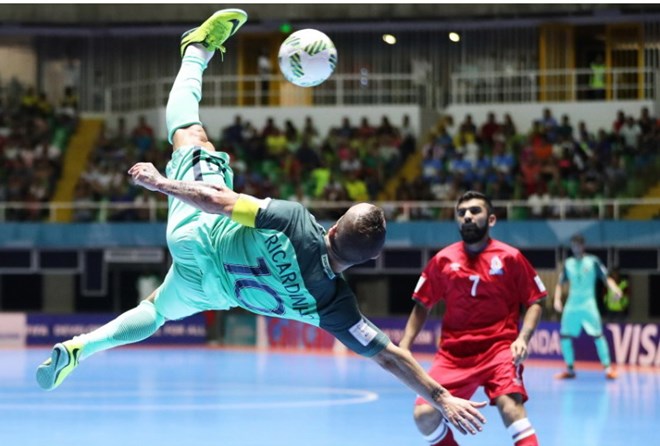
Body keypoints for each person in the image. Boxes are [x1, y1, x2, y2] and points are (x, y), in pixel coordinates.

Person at [35, 9, 487, 436]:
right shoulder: (334, 305)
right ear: (363, 262)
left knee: (191, 136)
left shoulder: (297, 224)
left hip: (198, 234)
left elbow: (217, 200)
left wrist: (161, 184)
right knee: (155, 311)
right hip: (215, 290)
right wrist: (440, 395)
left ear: (333, 229)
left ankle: (196, 49)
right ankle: (81, 347)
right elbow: (388, 355)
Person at [399, 191, 545, 446]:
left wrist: (523, 338)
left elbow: (535, 300)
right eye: (461, 212)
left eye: (475, 211)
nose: (467, 216)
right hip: (453, 355)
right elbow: (422, 304)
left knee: (511, 408)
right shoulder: (442, 260)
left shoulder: (510, 257)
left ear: (491, 220)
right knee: (424, 415)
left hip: (499, 349)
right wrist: (404, 345)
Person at [553, 234, 623, 380]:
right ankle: (570, 369)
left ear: (583, 246)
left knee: (598, 335)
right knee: (564, 336)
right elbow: (560, 283)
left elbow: (606, 278)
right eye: (574, 245)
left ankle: (608, 369)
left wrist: (615, 289)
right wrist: (557, 299)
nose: (576, 247)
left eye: (578, 245)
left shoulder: (593, 261)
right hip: (572, 305)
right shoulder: (568, 263)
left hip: (588, 305)